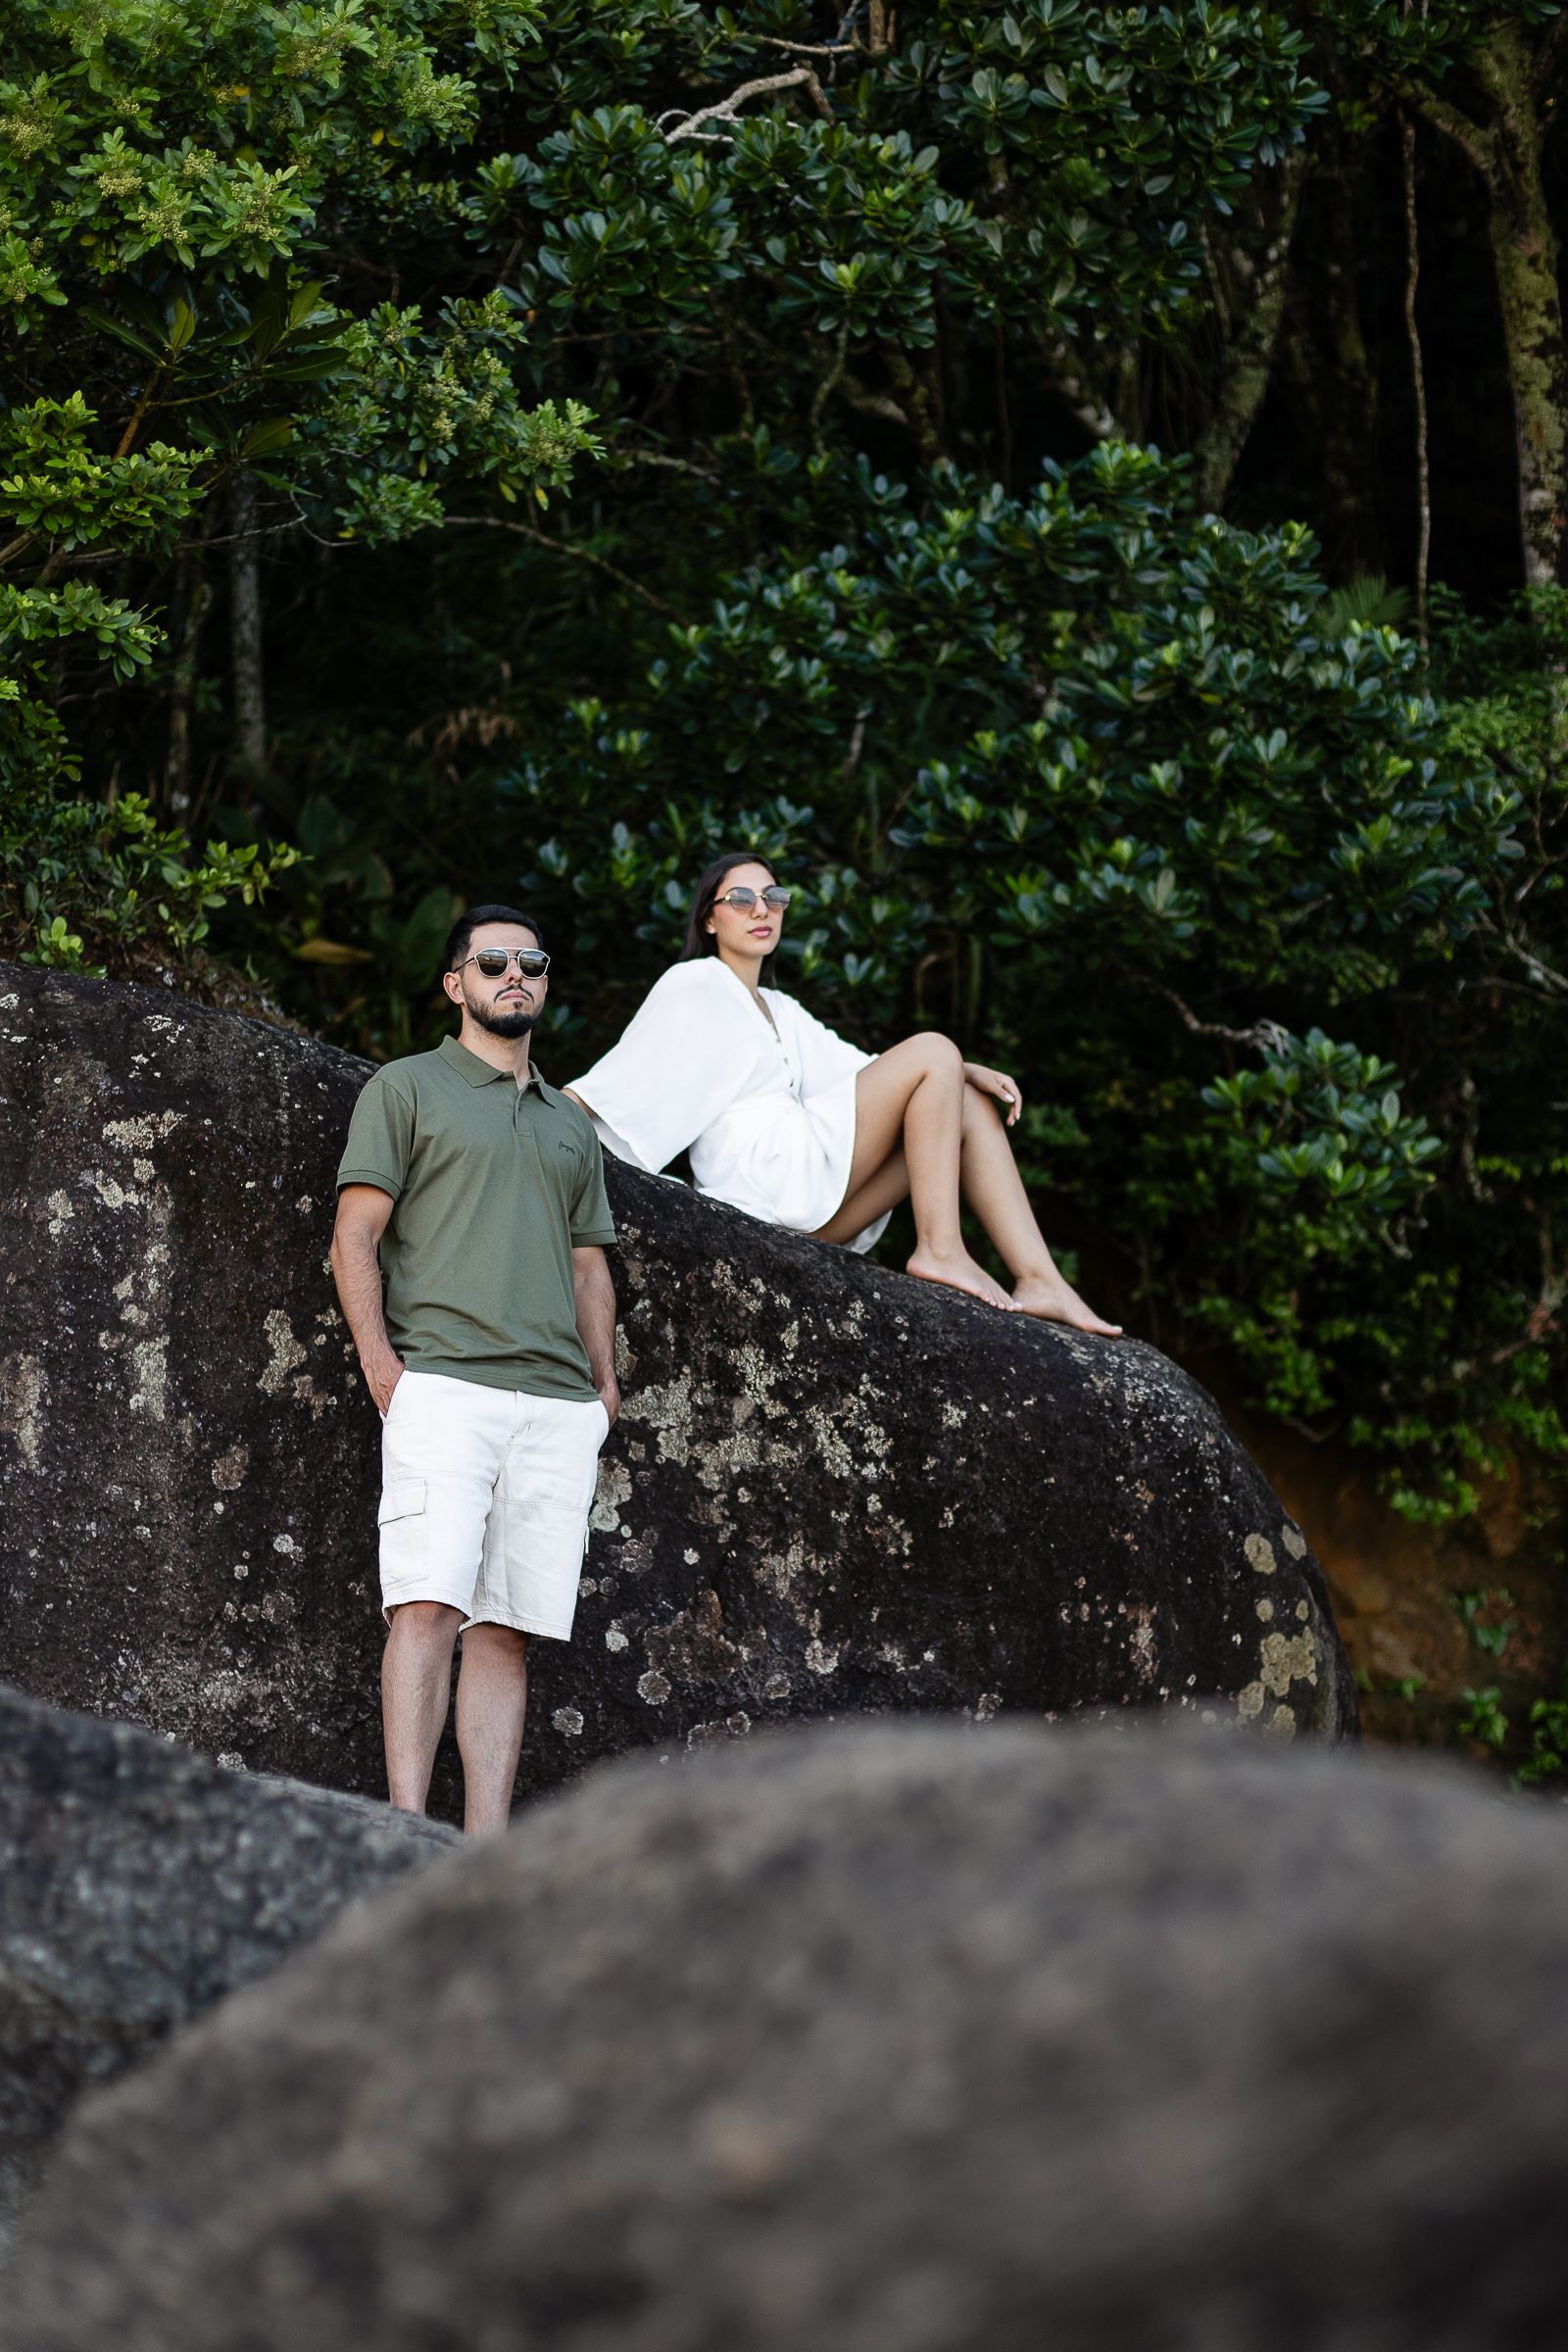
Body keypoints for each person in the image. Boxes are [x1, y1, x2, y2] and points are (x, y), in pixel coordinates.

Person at [331, 905, 618, 1835]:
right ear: (456, 984)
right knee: (425, 1609)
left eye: (531, 962)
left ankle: (486, 1858)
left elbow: (588, 1264)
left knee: (506, 1630)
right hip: (444, 1388)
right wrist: (382, 1365)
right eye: (491, 962)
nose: (515, 976)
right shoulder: (407, 1088)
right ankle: (407, 1834)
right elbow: (355, 1234)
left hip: (557, 1405)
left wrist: (604, 1387)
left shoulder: (569, 1124)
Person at [566, 853, 1120, 1333]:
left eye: (773, 896)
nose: (762, 909)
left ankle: (1040, 1278)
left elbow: (875, 1074)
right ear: (709, 919)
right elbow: (624, 1074)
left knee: (963, 1101)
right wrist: (538, 1109)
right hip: (764, 1182)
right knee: (934, 1051)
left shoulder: (782, 1009)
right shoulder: (694, 981)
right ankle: (940, 1249)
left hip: (810, 1203)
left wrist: (964, 1069)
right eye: (740, 898)